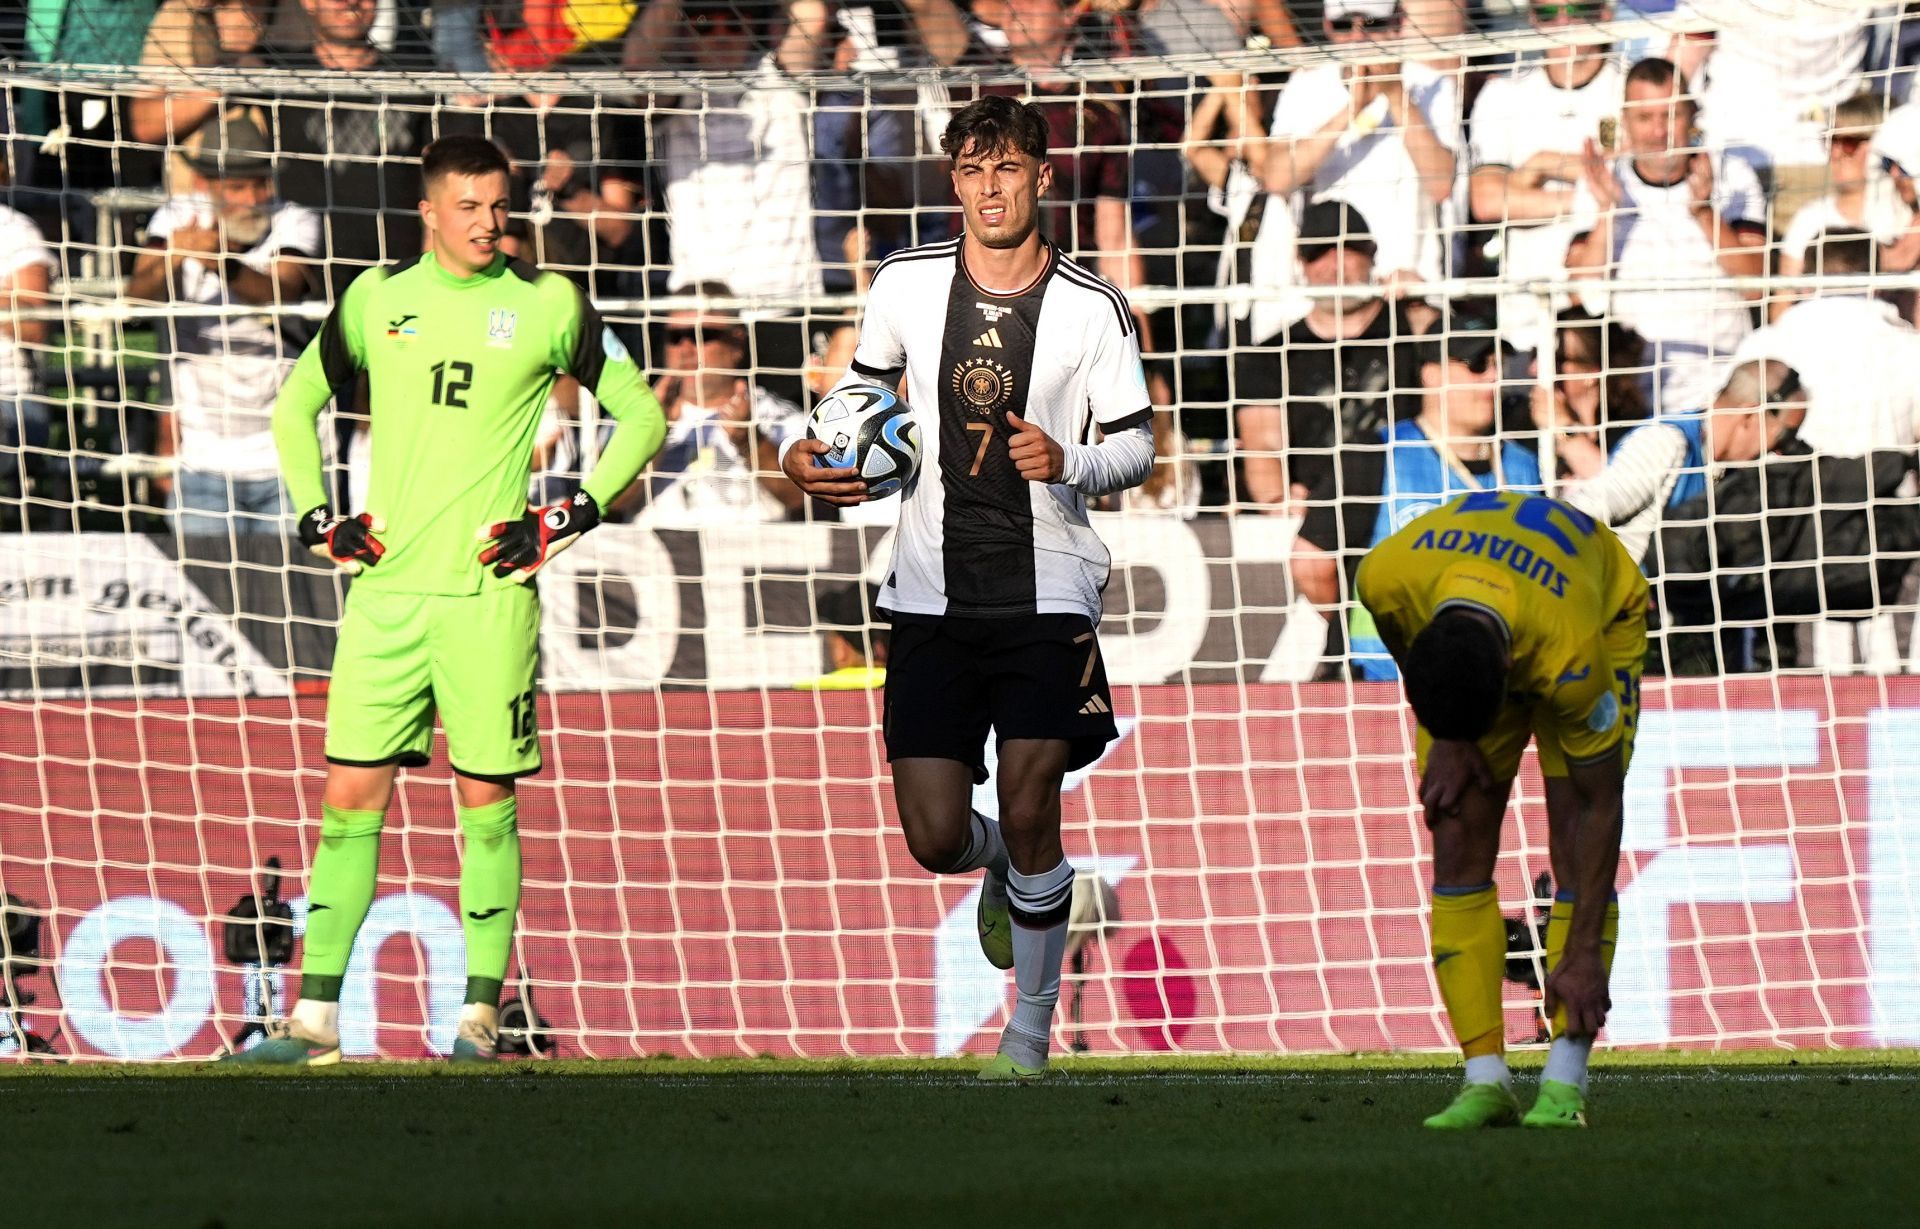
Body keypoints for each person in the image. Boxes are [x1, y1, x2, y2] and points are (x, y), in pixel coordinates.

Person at [229, 135, 668, 1065]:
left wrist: (569, 516)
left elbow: (644, 412)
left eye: (500, 206)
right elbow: (290, 405)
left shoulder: (548, 304)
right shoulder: (376, 298)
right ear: (428, 211)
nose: (489, 224)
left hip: (486, 599)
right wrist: (318, 520)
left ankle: (476, 1019)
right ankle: (311, 1025)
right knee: (348, 800)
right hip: (385, 597)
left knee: (486, 800)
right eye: (469, 208)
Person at [779, 95, 1155, 1080]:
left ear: (1043, 177)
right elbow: (859, 399)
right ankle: (993, 863)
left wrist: (1070, 459)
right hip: (928, 594)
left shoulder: (1093, 306)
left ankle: (1025, 1035)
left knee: (1037, 803)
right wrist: (805, 450)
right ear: (957, 183)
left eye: (1009, 169)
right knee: (935, 833)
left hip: (1049, 593)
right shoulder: (904, 282)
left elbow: (1139, 444)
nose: (991, 189)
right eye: (973, 171)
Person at [1355, 488, 1647, 1129]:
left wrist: (1581, 958)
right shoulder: (1384, 577)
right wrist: (1453, 742)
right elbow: (1412, 652)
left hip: (1599, 611)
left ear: (1515, 671)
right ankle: (1484, 1081)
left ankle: (1565, 1082)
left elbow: (1603, 804)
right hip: (1490, 608)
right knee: (1456, 821)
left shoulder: (1573, 657)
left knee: (1574, 836)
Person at [1290, 302, 1542, 680]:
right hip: (1380, 677)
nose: (1492, 379)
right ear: (1431, 374)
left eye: (1496, 366)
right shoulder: (1378, 454)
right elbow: (1311, 560)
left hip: (1495, 677)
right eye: (1475, 366)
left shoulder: (1523, 464)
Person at [126, 113, 320, 540]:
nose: (254, 197)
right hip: (204, 458)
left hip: (292, 454)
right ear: (204, 186)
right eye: (238, 186)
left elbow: (280, 289)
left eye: (261, 183)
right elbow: (139, 297)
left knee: (298, 594)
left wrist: (218, 259)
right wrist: (175, 255)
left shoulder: (295, 219)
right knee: (205, 590)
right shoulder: (175, 219)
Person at [1566, 56, 1766, 416]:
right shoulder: (1603, 181)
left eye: (1670, 115)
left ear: (1692, 116)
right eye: (1645, 118)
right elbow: (1580, 293)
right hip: (1633, 393)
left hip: (1722, 389)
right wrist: (1607, 214)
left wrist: (1705, 212)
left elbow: (1756, 286)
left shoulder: (1733, 175)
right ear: (1625, 121)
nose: (1659, 131)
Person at [1233, 200, 1425, 512]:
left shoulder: (1414, 329)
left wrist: (1424, 304)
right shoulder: (1270, 355)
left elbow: (1463, 375)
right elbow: (1263, 448)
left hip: (1410, 503)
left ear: (1372, 253)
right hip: (1317, 516)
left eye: (1347, 249)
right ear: (1301, 261)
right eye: (1318, 253)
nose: (1334, 266)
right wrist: (1280, 502)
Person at [1264, 0, 1460, 300]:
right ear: (1328, 27)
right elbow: (1277, 179)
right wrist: (1353, 108)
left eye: (1372, 24)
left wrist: (1395, 93)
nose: (1358, 38)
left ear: (1398, 23)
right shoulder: (1305, 84)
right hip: (1324, 283)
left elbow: (1441, 185)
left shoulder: (1432, 83)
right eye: (1344, 25)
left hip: (1405, 281)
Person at [1467, 1, 1622, 358]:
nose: (1564, 22)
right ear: (1533, 19)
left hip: (1610, 311)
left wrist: (1535, 170)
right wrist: (1592, 200)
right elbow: (1488, 201)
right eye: (1549, 13)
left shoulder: (1629, 87)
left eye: (1580, 9)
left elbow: (1633, 180)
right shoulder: (1503, 95)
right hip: (1525, 317)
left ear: (1606, 14)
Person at [1567, 357, 1804, 569]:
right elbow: (1573, 515)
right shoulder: (1666, 443)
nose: (1781, 451)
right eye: (1785, 436)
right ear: (1750, 415)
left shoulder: (1729, 469)